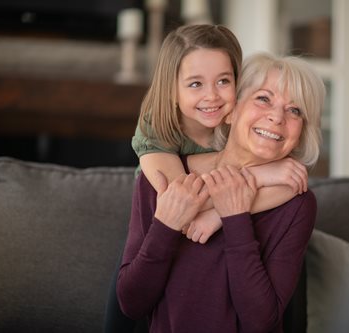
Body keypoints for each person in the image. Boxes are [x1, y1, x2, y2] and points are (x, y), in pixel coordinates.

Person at [117, 52, 325, 333]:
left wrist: (234, 217)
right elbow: (131, 304)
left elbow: (261, 322)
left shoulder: (297, 204)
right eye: (263, 98)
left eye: (295, 110)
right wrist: (165, 227)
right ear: (232, 110)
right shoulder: (163, 179)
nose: (277, 117)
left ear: (302, 131)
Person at [132, 23, 309, 244]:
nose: (212, 95)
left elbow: (289, 184)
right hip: (151, 230)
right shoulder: (157, 124)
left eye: (223, 81)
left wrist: (217, 216)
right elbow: (179, 200)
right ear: (172, 91)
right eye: (196, 84)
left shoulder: (237, 122)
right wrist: (259, 176)